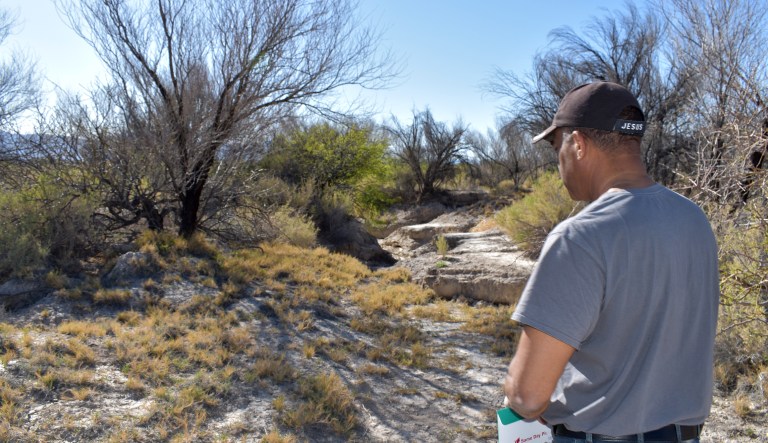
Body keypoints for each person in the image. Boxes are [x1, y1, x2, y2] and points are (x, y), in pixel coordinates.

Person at [503, 81, 720, 442]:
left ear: (578, 144)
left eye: (557, 148)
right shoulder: (694, 219)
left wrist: (513, 388)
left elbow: (527, 397)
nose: (559, 162)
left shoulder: (580, 237)